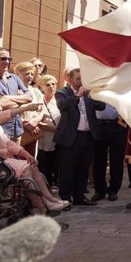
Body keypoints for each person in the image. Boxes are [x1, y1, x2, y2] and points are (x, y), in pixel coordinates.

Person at [0, 93, 68, 212]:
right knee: (25, 168)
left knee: (32, 163)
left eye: (1, 105)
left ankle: (49, 200)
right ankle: (43, 205)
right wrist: (25, 108)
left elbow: (7, 143)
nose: (0, 108)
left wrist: (25, 154)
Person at [53, 68, 105, 206]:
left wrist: (94, 95)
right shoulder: (62, 92)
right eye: (77, 79)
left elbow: (102, 106)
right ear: (70, 80)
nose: (80, 81)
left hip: (87, 136)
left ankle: (79, 196)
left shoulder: (89, 94)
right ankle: (65, 198)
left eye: (82, 78)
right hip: (70, 137)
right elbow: (62, 106)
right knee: (67, 169)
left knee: (83, 168)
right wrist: (78, 96)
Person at [0, 48, 32, 142]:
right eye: (3, 59)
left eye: (9, 59)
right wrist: (20, 101)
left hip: (16, 130)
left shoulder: (14, 77)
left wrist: (5, 98)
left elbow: (29, 97)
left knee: (16, 156)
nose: (7, 62)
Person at [92, 103, 127, 202]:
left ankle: (113, 190)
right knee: (99, 159)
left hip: (117, 125)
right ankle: (99, 190)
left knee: (116, 159)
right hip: (99, 125)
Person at [13, 62, 46, 156]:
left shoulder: (35, 91)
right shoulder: (13, 91)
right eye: (26, 73)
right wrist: (26, 123)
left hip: (33, 132)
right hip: (18, 132)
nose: (30, 76)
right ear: (17, 73)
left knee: (30, 159)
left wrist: (35, 121)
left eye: (32, 74)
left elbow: (43, 109)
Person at [36, 75, 60, 186]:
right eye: (48, 85)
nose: (51, 87)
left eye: (53, 84)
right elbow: (37, 121)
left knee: (56, 165)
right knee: (44, 166)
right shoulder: (39, 101)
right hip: (43, 140)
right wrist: (54, 128)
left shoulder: (60, 100)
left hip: (58, 140)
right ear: (42, 87)